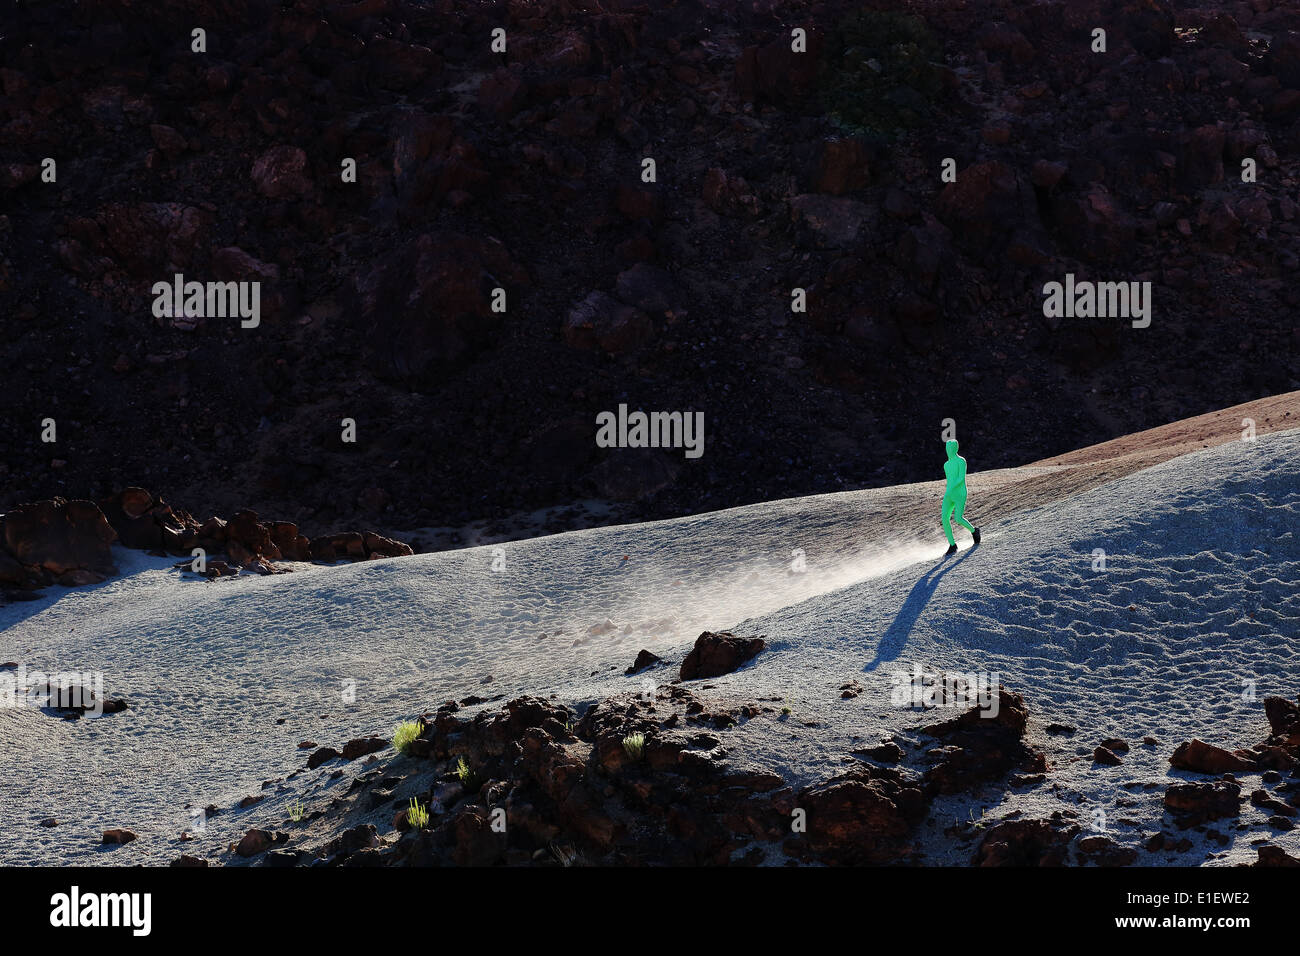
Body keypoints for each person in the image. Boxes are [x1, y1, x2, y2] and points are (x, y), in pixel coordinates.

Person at [941, 439, 980, 555]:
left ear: (955, 449)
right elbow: (950, 480)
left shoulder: (961, 461)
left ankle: (974, 531)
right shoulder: (946, 465)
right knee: (944, 518)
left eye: (950, 448)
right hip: (949, 494)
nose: (948, 450)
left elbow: (960, 478)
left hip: (960, 493)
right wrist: (948, 491)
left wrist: (951, 488)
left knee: (958, 518)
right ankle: (952, 545)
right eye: (947, 448)